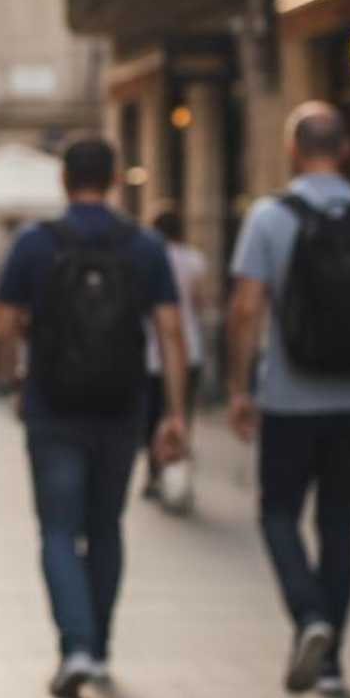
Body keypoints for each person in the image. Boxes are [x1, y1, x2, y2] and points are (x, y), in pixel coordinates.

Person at [0, 136, 189, 698]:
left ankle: (75, 645)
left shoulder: (35, 243)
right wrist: (174, 413)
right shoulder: (145, 246)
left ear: (63, 180)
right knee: (105, 527)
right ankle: (99, 648)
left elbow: (3, 326)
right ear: (116, 178)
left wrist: (14, 381)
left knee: (57, 529)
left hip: (52, 408)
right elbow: (171, 331)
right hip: (123, 408)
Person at [226, 102, 350, 696]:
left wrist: (238, 388)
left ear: (291, 150)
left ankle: (308, 616)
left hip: (289, 398)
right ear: (347, 150)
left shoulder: (269, 216)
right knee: (339, 522)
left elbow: (245, 308)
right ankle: (331, 660)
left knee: (278, 514)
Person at [141, 208, 208, 501]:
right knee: (182, 415)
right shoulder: (194, 260)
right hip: (189, 350)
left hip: (150, 353)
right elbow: (200, 302)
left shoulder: (147, 257)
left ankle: (156, 473)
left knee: (151, 417)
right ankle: (176, 469)